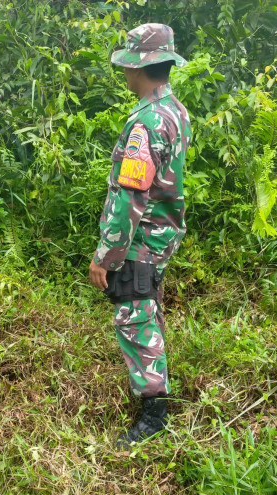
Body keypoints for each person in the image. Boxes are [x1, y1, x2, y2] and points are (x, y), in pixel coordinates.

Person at [89, 23, 191, 450]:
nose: (125, 73)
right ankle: (158, 388)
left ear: (139, 68)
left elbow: (130, 196)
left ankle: (153, 417)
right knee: (148, 306)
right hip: (164, 233)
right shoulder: (175, 110)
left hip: (141, 240)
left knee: (136, 318)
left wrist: (107, 256)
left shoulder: (146, 124)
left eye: (128, 66)